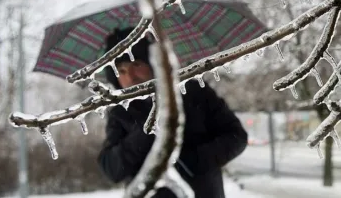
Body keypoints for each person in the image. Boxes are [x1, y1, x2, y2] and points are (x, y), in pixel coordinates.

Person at [98, 28, 248, 198]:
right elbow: (112, 168)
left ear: (152, 63)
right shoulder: (120, 112)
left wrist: (194, 160)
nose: (130, 76)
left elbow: (236, 137)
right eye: (121, 71)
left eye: (136, 64)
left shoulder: (192, 91)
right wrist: (146, 133)